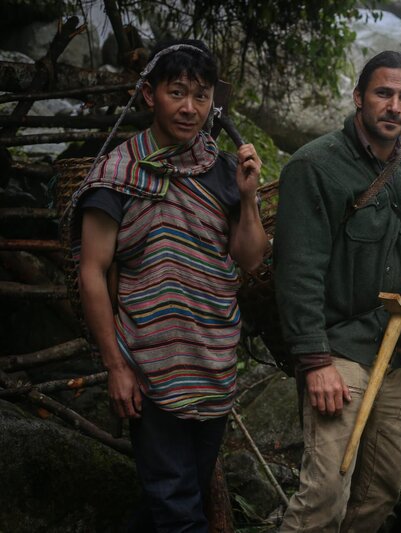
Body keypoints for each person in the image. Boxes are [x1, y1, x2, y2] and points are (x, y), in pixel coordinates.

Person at [72, 39, 268, 531]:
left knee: (180, 494)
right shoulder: (117, 175)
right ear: (149, 95)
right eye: (177, 92)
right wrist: (116, 367)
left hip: (214, 362)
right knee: (177, 506)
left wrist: (248, 199)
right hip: (149, 366)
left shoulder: (222, 170)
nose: (189, 108)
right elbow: (92, 270)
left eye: (201, 96)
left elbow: (250, 258)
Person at [273, 51, 401, 533]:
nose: (394, 107)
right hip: (339, 352)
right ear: (358, 97)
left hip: (399, 357)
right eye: (383, 93)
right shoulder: (314, 166)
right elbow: (298, 272)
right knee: (323, 496)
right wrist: (315, 361)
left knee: (380, 494)